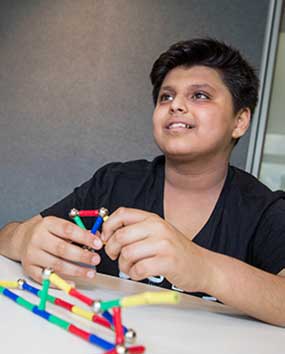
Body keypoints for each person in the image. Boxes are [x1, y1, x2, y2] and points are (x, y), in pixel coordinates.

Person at [1, 38, 285, 326]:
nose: (176, 105)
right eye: (166, 96)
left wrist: (203, 267)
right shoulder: (114, 182)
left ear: (240, 121)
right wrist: (24, 239)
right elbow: (7, 236)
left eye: (199, 95)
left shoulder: (265, 210)